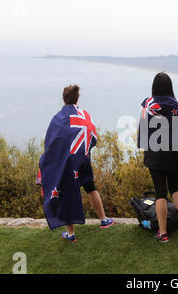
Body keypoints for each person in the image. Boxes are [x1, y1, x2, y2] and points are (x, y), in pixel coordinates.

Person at [39, 85, 114, 243]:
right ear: (77, 98)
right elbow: (93, 137)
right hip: (82, 160)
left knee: (66, 193)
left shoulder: (57, 118)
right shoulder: (84, 115)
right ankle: (103, 219)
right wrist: (83, 151)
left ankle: (70, 233)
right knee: (90, 187)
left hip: (66, 163)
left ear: (63, 99)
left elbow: (50, 143)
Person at [137, 72, 178, 243]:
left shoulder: (147, 106)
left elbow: (142, 135)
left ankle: (163, 234)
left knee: (160, 193)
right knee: (175, 187)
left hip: (155, 156)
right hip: (174, 154)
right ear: (170, 87)